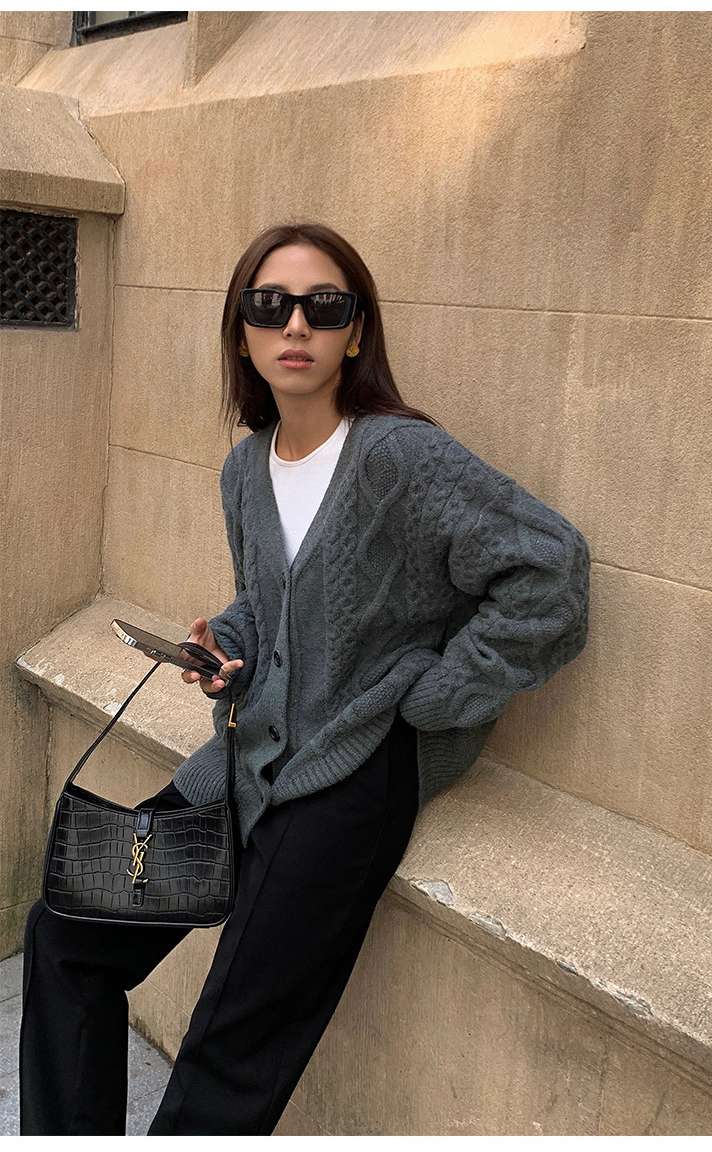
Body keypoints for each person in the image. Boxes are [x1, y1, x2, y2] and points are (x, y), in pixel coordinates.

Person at [20, 223, 590, 1136]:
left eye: (323, 306)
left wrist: (436, 698)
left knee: (226, 1047)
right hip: (249, 757)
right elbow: (268, 602)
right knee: (66, 935)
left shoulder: (400, 458)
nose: (295, 325)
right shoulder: (245, 469)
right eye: (269, 305)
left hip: (355, 769)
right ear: (242, 331)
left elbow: (550, 570)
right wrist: (228, 644)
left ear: (355, 332)